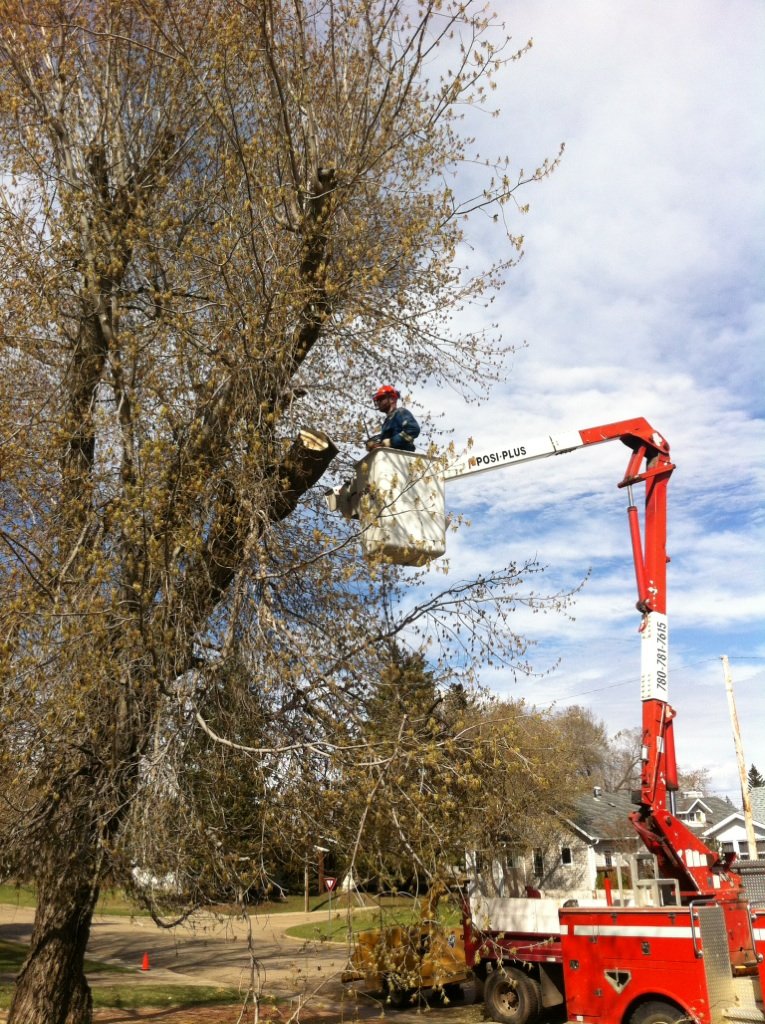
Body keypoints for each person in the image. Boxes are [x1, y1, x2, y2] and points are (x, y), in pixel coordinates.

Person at [366, 385, 420, 452]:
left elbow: (413, 429)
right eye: (377, 400)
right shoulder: (387, 422)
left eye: (381, 398)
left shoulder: (400, 413)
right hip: (391, 456)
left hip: (402, 456)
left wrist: (391, 442)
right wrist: (374, 442)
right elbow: (388, 437)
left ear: (392, 399)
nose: (378, 402)